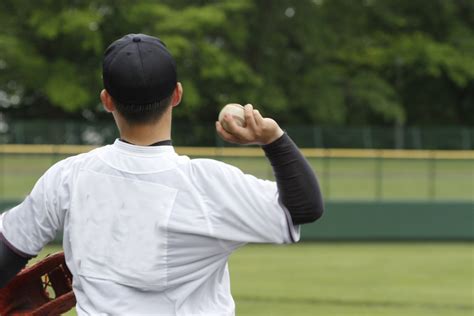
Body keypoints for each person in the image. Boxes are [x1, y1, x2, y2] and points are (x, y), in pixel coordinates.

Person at [0, 33, 324, 315]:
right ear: (177, 95)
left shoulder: (68, 178)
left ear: (107, 100)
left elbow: (8, 253)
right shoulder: (209, 185)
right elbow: (305, 208)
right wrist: (272, 138)